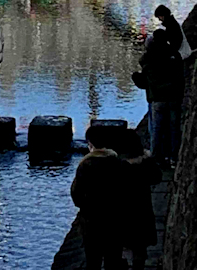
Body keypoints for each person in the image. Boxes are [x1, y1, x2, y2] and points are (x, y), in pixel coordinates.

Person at [70, 124, 129, 270]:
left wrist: (85, 207)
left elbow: (76, 193)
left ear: (90, 143)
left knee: (93, 259)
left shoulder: (86, 164)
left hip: (92, 219)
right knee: (113, 257)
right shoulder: (118, 162)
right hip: (115, 218)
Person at [137, 28, 183, 166]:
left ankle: (157, 157)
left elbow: (146, 78)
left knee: (156, 129)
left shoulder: (150, 57)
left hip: (157, 98)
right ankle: (173, 157)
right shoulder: (174, 54)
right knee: (174, 128)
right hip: (174, 97)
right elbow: (180, 76)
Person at [122, 130, 162, 270]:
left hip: (122, 211)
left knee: (121, 244)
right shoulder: (145, 163)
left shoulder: (119, 166)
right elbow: (157, 177)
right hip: (142, 209)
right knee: (140, 248)